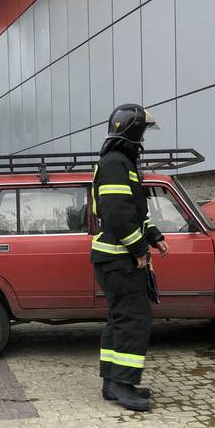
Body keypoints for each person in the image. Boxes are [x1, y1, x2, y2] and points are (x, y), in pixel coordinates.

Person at [91, 103, 169, 412]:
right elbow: (116, 215)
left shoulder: (120, 163)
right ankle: (123, 385)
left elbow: (134, 214)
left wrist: (154, 236)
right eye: (143, 133)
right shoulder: (115, 163)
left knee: (120, 318)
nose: (144, 141)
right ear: (133, 132)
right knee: (134, 319)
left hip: (115, 258)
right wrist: (138, 250)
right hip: (118, 259)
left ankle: (112, 382)